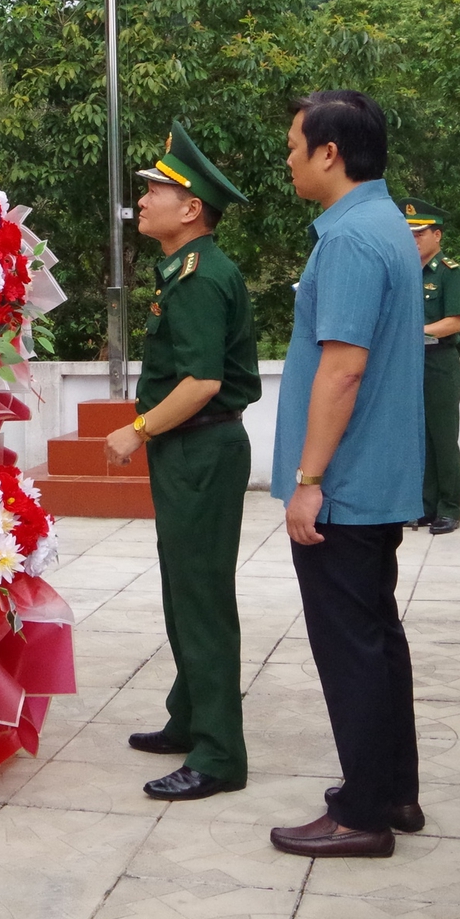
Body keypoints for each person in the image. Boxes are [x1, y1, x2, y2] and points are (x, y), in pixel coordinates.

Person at [267, 90, 424, 860]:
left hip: (347, 487)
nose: (289, 159)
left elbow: (343, 368)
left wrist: (309, 477)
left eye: (295, 145)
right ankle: (391, 788)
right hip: (369, 482)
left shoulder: (353, 239)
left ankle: (363, 813)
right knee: (377, 639)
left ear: (329, 152)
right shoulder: (379, 225)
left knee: (352, 648)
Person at [102, 122, 261, 801]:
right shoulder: (185, 267)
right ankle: (189, 718)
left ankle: (220, 754)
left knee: (200, 600)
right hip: (192, 450)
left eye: (155, 192)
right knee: (184, 590)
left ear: (191, 208)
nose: (142, 202)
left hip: (201, 447)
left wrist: (136, 428)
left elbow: (198, 383)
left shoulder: (200, 276)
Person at [399, 198, 460, 534]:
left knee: (443, 437)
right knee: (418, 438)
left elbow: (454, 323)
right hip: (409, 364)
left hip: (439, 363)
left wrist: (415, 331)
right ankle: (425, 506)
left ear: (437, 236)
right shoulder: (402, 273)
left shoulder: (450, 274)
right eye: (408, 233)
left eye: (419, 233)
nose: (412, 239)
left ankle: (450, 508)